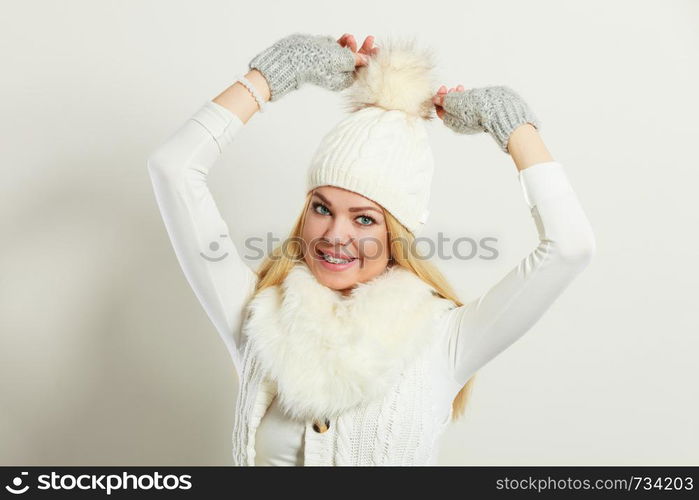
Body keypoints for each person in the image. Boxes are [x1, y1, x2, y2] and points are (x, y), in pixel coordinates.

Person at [146, 32, 596, 466]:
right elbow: (173, 168)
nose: (334, 235)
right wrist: (275, 74)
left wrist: (512, 126)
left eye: (364, 218)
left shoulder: (444, 338)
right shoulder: (255, 315)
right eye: (322, 208)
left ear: (394, 234)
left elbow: (570, 246)